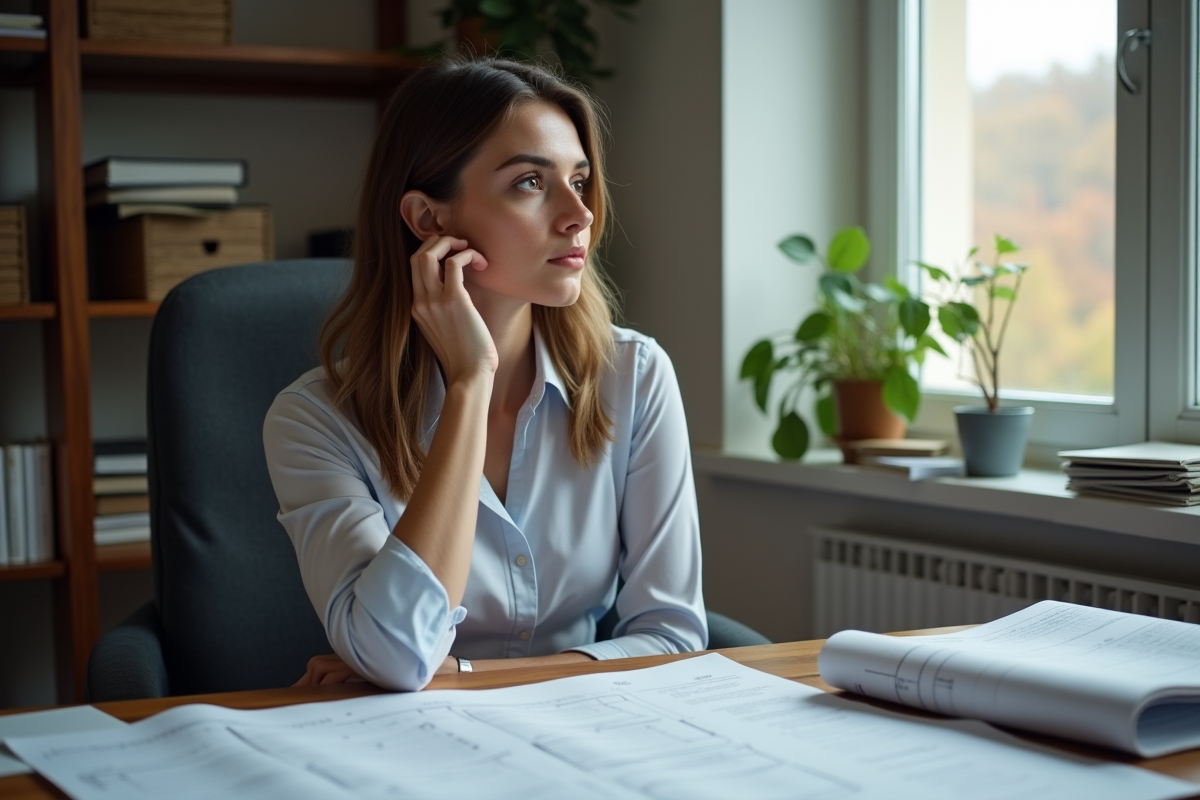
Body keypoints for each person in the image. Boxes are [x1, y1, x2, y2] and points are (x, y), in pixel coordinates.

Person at [263, 57, 706, 692]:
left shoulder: (633, 376)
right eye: (530, 182)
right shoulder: (315, 420)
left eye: (579, 181)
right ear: (429, 219)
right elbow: (396, 654)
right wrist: (470, 382)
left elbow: (673, 637)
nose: (579, 214)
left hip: (592, 725)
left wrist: (468, 674)